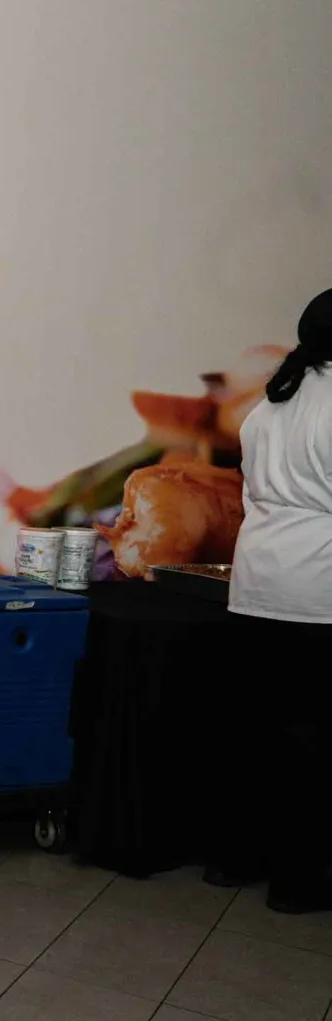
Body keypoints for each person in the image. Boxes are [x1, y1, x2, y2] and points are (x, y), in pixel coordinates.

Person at [216, 286, 332, 912]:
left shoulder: (274, 400)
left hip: (257, 580)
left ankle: (234, 858)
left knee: (254, 729)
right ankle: (299, 881)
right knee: (312, 740)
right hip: (318, 588)